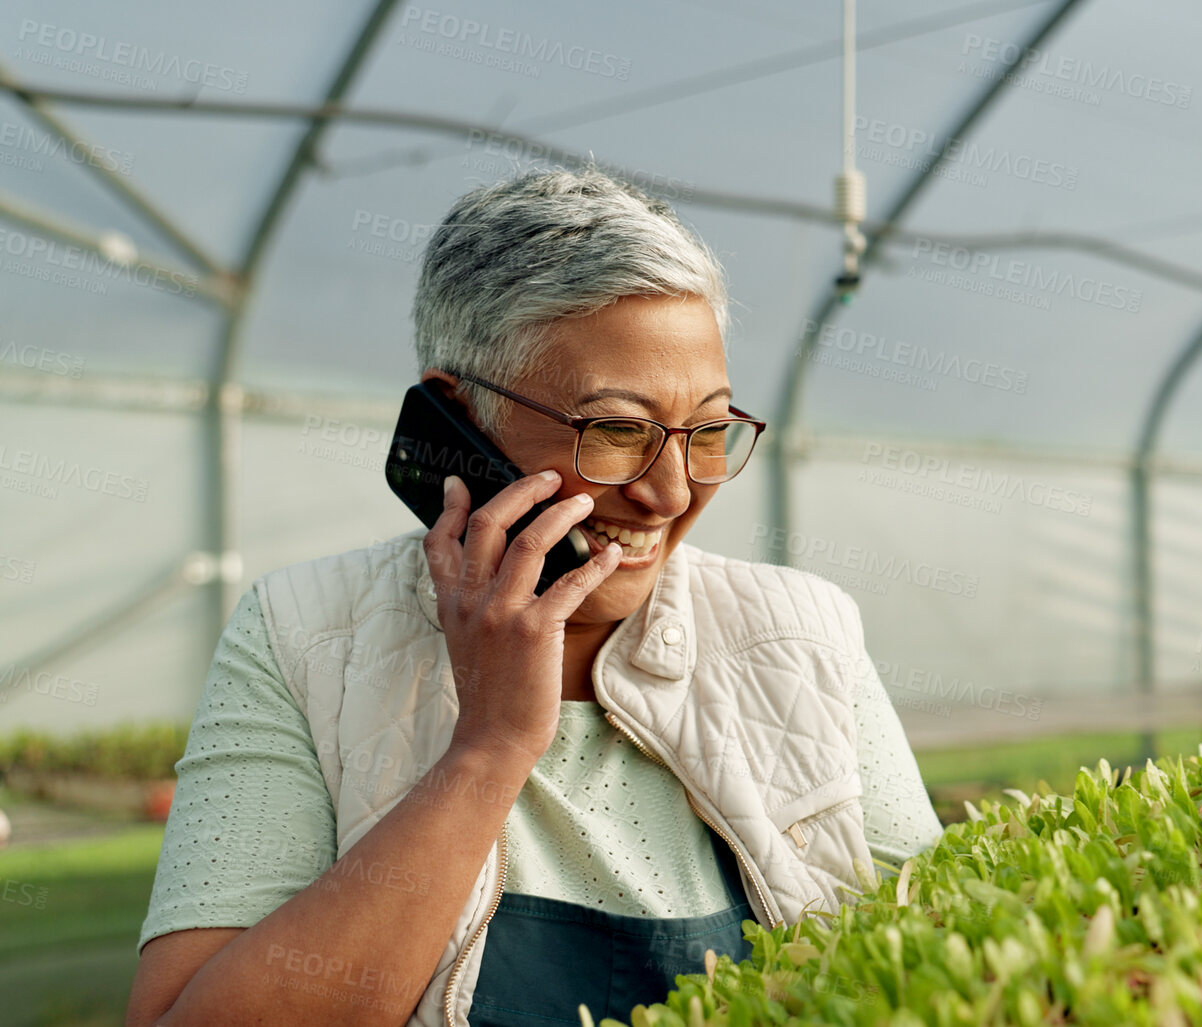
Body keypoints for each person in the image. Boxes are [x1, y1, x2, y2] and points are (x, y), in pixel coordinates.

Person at [126, 169, 944, 1027]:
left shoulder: (803, 630)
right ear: (458, 420)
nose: (670, 494)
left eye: (706, 432)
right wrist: (489, 745)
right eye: (617, 430)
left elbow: (938, 947)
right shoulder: (304, 631)